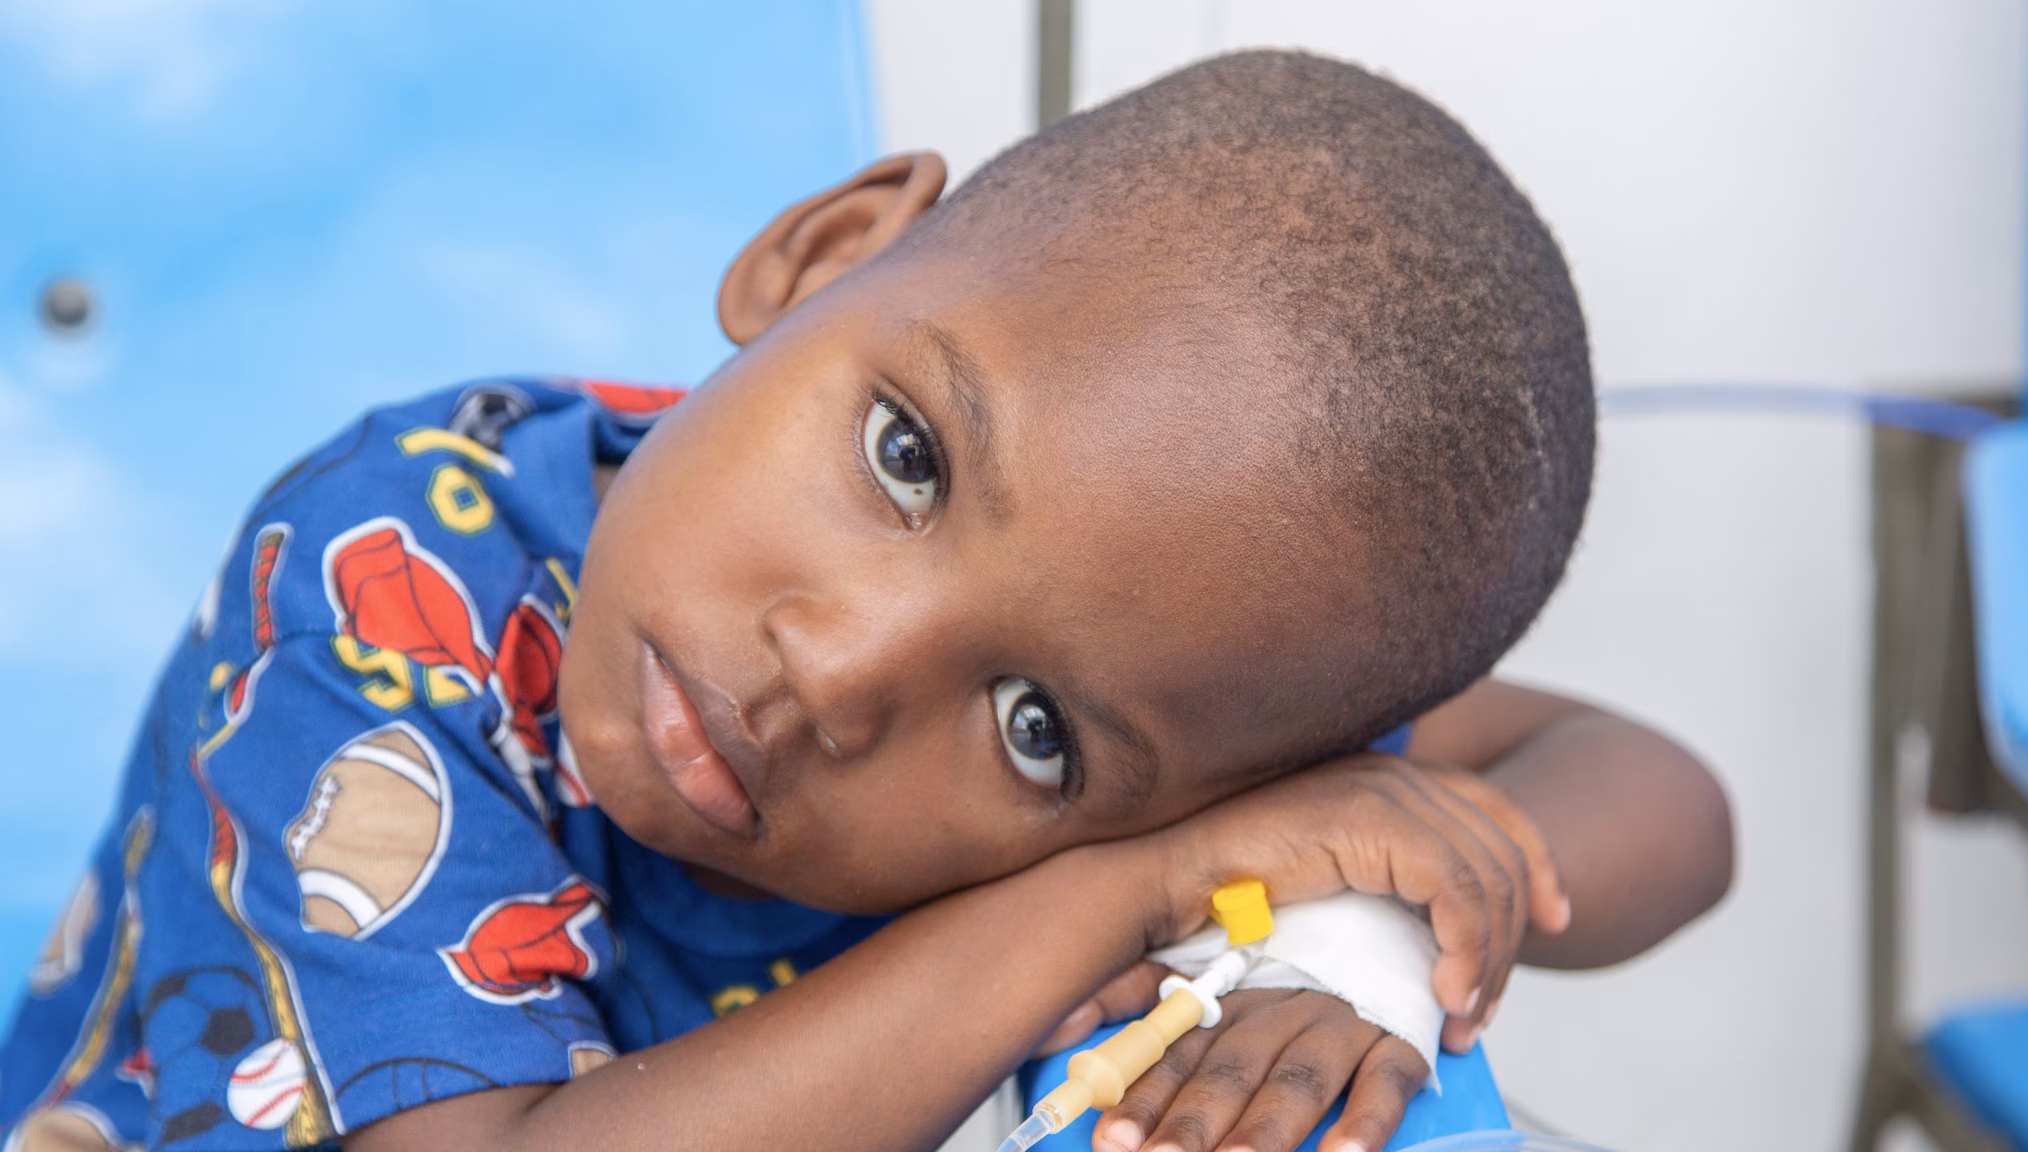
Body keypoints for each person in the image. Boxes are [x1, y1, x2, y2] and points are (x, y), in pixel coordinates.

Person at [0, 50, 1731, 1152]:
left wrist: (1369, 937)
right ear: (821, 255)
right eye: (908, 458)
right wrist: (1131, 885)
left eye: (1035, 731)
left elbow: (1661, 803)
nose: (839, 672)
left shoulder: (1171, 681)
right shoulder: (386, 578)